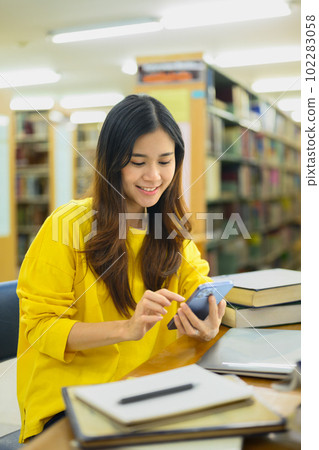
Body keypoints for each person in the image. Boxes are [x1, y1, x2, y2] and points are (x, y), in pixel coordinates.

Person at [16, 94, 226, 443]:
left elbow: (199, 285)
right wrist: (125, 329)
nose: (154, 176)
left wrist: (208, 322)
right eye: (137, 162)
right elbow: (39, 328)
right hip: (71, 397)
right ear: (112, 163)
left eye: (165, 160)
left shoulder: (171, 230)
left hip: (148, 387)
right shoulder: (67, 226)